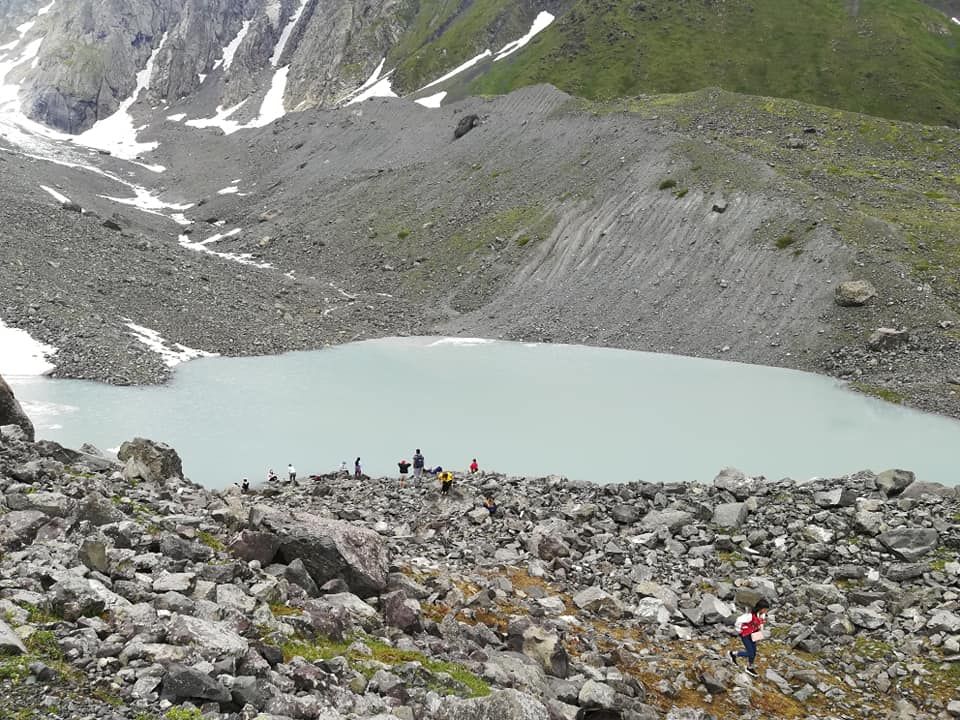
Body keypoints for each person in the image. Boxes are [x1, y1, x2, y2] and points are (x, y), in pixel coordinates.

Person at [729, 599, 770, 677]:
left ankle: (750, 667)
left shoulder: (761, 615)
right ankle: (733, 654)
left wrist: (760, 634)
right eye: (764, 609)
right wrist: (739, 630)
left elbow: (760, 624)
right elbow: (738, 621)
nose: (765, 611)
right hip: (746, 635)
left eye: (766, 609)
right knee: (750, 653)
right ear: (760, 608)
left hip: (754, 634)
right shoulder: (750, 616)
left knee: (754, 652)